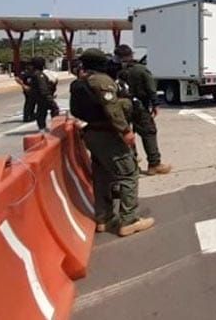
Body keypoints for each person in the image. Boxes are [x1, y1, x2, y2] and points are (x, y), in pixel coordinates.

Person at [70, 49, 155, 237]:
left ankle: (103, 218)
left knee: (102, 175)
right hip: (107, 134)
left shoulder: (80, 82)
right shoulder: (102, 81)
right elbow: (112, 109)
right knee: (128, 173)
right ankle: (129, 220)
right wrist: (125, 131)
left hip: (91, 134)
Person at [113, 45, 172, 176]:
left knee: (126, 134)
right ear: (131, 55)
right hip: (139, 106)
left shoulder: (116, 72)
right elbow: (151, 88)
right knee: (149, 133)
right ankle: (154, 164)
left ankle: (132, 165)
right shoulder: (140, 70)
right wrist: (155, 104)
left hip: (122, 108)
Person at [30, 57, 58, 132]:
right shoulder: (39, 75)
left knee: (41, 111)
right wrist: (48, 96)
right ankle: (55, 126)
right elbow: (43, 87)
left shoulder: (35, 74)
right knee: (54, 109)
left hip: (39, 97)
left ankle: (42, 127)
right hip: (44, 96)